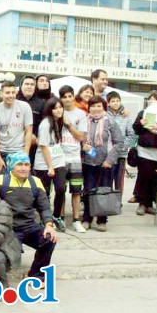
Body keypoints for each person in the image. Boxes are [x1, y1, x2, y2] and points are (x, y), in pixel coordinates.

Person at [0, 152, 57, 286]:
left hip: (29, 226)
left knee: (49, 239)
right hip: (9, 229)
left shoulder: (36, 182)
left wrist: (49, 225)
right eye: (19, 165)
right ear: (11, 166)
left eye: (26, 164)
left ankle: (36, 276)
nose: (23, 168)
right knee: (5, 256)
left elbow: (45, 207)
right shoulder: (1, 181)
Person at [82, 96, 123, 232]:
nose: (96, 109)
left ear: (104, 107)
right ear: (89, 107)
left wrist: (109, 160)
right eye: (93, 106)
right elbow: (79, 138)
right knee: (88, 190)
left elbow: (119, 143)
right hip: (88, 163)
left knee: (103, 191)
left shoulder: (110, 121)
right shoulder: (84, 121)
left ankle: (102, 220)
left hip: (105, 163)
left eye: (99, 106)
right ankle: (87, 218)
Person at [33, 97, 67, 232]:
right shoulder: (45, 124)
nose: (59, 110)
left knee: (60, 189)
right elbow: (44, 146)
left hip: (59, 160)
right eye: (55, 108)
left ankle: (57, 216)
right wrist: (50, 166)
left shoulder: (59, 121)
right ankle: (45, 219)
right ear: (50, 110)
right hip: (44, 163)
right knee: (44, 193)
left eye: (60, 107)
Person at [59, 85, 88, 233]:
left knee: (76, 190)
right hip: (60, 157)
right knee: (61, 190)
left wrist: (69, 125)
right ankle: (61, 218)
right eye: (64, 97)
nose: (67, 99)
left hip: (75, 157)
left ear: (73, 96)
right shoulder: (57, 112)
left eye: (70, 96)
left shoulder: (81, 114)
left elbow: (81, 137)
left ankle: (76, 220)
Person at [0, 81, 33, 174]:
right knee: (3, 183)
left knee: (21, 183)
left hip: (19, 151)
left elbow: (28, 131)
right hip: (2, 152)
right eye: (7, 93)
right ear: (1, 94)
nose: (11, 95)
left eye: (13, 92)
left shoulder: (25, 107)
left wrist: (25, 154)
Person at [107, 91, 136, 196]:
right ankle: (108, 201)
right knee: (107, 179)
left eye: (117, 101)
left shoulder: (126, 116)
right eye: (113, 101)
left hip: (121, 154)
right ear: (108, 103)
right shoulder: (105, 115)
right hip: (108, 154)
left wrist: (122, 147)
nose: (115, 103)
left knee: (119, 179)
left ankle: (118, 201)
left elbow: (131, 134)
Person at [133, 103, 157, 215]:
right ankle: (142, 203)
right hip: (145, 151)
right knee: (144, 177)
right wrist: (140, 123)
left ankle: (150, 204)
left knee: (154, 179)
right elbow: (135, 129)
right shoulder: (144, 112)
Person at [16, 75, 44, 166]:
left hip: (34, 144)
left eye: (32, 84)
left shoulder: (41, 103)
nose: (29, 86)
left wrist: (35, 136)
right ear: (21, 86)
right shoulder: (14, 101)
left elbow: (43, 123)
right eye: (26, 84)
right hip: (16, 143)